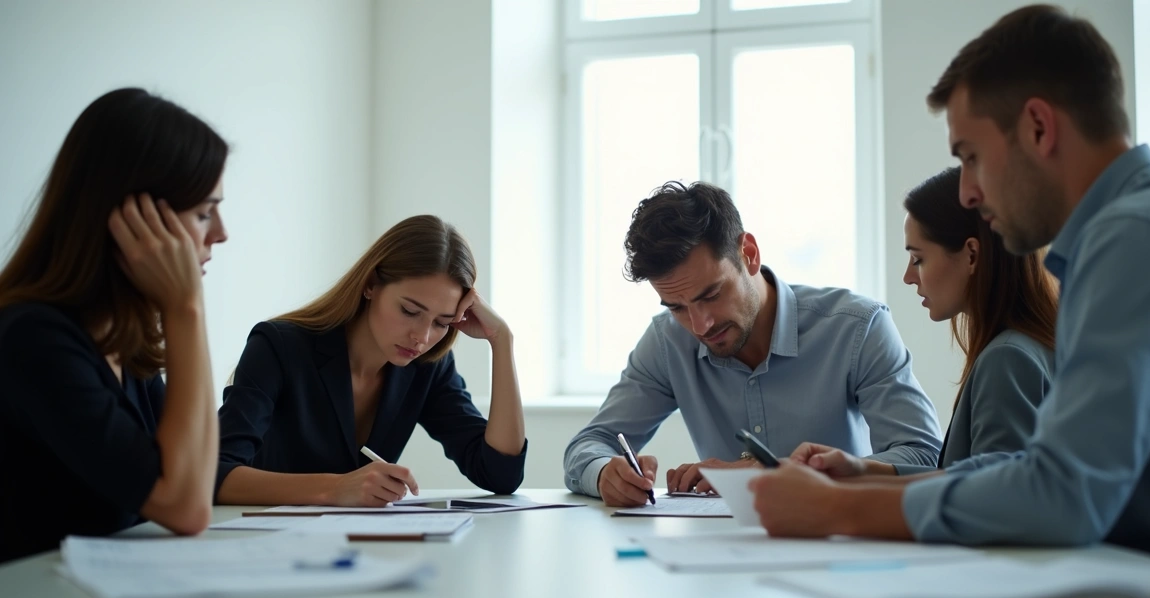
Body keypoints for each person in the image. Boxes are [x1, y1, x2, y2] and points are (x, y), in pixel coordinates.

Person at [749, 4, 1150, 563]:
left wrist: (835, 511)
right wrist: (858, 483)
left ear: (1039, 128)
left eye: (971, 156)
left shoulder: (1136, 238)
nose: (968, 192)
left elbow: (1063, 494)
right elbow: (1031, 468)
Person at [563, 180, 942, 507]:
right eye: (677, 307)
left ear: (749, 254)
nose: (699, 325)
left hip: (840, 548)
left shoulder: (858, 329)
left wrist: (776, 471)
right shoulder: (667, 342)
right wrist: (605, 475)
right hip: (724, 565)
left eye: (711, 294)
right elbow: (589, 446)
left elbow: (925, 458)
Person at [0, 88, 229, 562]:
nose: (221, 233)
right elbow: (185, 507)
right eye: (204, 212)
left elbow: (196, 484)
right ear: (134, 218)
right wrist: (186, 307)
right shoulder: (32, 338)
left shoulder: (126, 342)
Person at [216, 215, 526, 506]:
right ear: (370, 284)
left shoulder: (427, 367)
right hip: (266, 547)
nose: (422, 337)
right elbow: (217, 473)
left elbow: (500, 475)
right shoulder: (278, 346)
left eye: (441, 323)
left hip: (361, 550)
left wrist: (502, 341)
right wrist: (335, 489)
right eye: (409, 311)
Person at [792, 167, 1057, 479]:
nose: (907, 276)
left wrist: (838, 498)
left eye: (918, 259)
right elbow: (970, 485)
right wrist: (860, 470)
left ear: (971, 255)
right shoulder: (1033, 346)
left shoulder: (1007, 358)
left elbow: (991, 505)